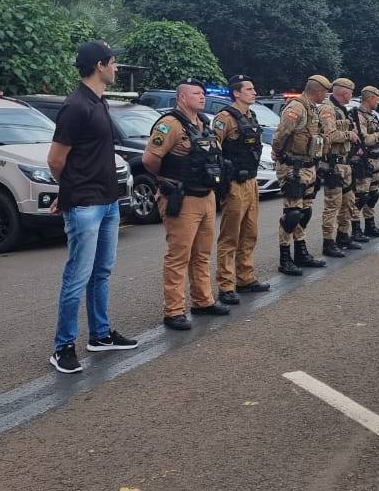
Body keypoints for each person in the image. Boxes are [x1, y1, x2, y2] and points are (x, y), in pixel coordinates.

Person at [47, 40, 138, 374]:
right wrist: (70, 191)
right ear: (99, 65)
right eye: (113, 62)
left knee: (101, 272)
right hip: (85, 204)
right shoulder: (76, 106)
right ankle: (63, 347)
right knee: (78, 275)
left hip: (108, 201)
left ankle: (100, 335)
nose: (116, 67)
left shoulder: (100, 102)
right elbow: (56, 160)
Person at [145, 79, 229, 331]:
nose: (202, 97)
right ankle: (173, 311)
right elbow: (150, 159)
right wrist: (170, 178)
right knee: (178, 256)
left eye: (203, 93)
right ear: (182, 98)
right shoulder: (169, 125)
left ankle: (203, 301)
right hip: (182, 197)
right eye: (196, 93)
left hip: (206, 196)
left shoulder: (203, 123)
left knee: (202, 254)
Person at [210, 75, 270, 307]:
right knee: (230, 236)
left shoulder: (250, 116)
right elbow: (214, 149)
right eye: (249, 89)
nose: (254, 92)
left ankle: (245, 278)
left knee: (250, 233)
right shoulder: (224, 118)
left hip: (252, 182)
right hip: (234, 183)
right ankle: (226, 285)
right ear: (236, 93)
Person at [272, 75, 331, 273]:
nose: (326, 96)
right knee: (292, 214)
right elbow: (281, 134)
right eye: (325, 92)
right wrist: (278, 154)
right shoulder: (296, 108)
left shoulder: (312, 108)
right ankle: (285, 258)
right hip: (293, 168)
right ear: (318, 91)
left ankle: (301, 252)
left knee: (304, 212)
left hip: (308, 166)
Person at [319, 78, 362, 257]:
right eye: (350, 92)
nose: (351, 96)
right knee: (333, 205)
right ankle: (328, 242)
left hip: (345, 163)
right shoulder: (327, 109)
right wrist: (349, 135)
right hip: (333, 164)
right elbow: (329, 134)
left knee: (348, 202)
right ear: (344, 92)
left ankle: (343, 236)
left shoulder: (343, 110)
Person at [351, 86, 379, 238]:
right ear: (370, 98)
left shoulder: (371, 115)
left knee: (373, 195)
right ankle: (355, 229)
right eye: (377, 98)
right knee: (361, 196)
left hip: (375, 160)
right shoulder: (358, 116)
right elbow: (363, 139)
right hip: (364, 161)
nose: (378, 101)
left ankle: (370, 225)